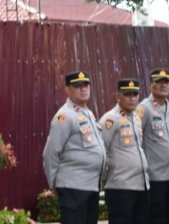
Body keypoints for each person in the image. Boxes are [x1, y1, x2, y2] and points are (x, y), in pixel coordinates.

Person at [43, 70, 107, 224]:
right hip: (73, 186)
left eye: (86, 85)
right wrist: (54, 184)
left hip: (90, 186)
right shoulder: (65, 116)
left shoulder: (88, 114)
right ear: (67, 90)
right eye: (78, 86)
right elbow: (51, 152)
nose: (83, 89)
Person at [136, 67, 169, 224]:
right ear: (151, 85)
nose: (163, 86)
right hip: (155, 176)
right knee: (156, 218)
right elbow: (137, 140)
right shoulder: (143, 109)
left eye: (166, 83)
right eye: (159, 82)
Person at [100, 79, 151, 224]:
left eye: (135, 94)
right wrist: (105, 179)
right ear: (118, 96)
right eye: (127, 94)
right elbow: (101, 152)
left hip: (141, 185)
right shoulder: (110, 120)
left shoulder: (136, 118)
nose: (132, 98)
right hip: (120, 187)